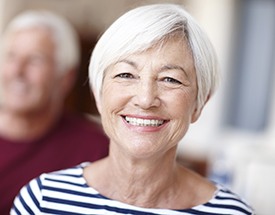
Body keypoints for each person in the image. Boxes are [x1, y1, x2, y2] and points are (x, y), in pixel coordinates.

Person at [11, 4, 254, 215]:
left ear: (199, 103)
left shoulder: (231, 212)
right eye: (126, 75)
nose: (146, 99)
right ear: (98, 94)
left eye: (170, 79)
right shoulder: (42, 200)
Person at [0, 10, 109, 215]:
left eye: (34, 60)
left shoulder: (96, 149)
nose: (17, 71)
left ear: (65, 77)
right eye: (11, 57)